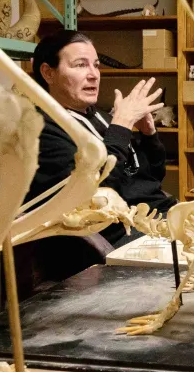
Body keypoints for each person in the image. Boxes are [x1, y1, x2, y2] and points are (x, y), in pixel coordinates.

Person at [27, 30, 175, 246]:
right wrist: (122, 126)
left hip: (160, 215)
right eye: (80, 65)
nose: (94, 74)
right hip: (124, 235)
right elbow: (95, 196)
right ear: (48, 73)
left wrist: (148, 135)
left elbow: (149, 177)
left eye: (95, 65)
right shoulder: (43, 130)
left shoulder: (102, 118)